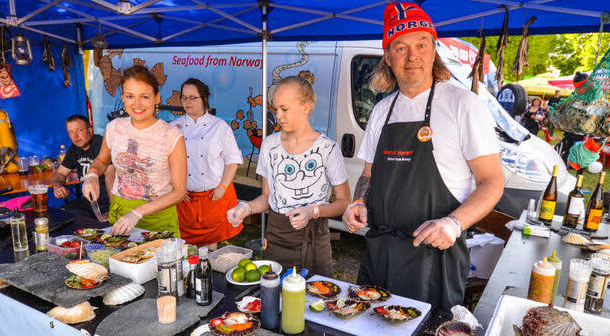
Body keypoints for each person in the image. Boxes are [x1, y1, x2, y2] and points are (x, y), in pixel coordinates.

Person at [342, 3, 504, 311]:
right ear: (388, 58)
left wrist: (454, 224)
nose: (412, 56)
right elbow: (368, 175)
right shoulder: (381, 111)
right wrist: (358, 203)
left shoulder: (463, 105)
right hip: (381, 255)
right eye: (400, 48)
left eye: (421, 44)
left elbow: (492, 181)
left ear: (434, 50)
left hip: (434, 261)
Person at [226, 76, 350, 277]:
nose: (278, 116)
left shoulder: (328, 148)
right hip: (277, 237)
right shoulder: (269, 145)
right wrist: (245, 208)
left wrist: (313, 212)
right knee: (275, 297)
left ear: (306, 107)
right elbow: (267, 197)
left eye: (284, 109)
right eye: (276, 109)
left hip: (314, 239)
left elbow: (344, 202)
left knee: (315, 298)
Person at [82, 65, 187, 236]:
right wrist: (92, 175)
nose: (136, 104)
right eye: (130, 96)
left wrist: (137, 213)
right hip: (121, 215)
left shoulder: (172, 135)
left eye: (144, 97)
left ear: (157, 98)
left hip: (158, 220)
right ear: (123, 98)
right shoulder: (114, 127)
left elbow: (179, 192)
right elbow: (102, 161)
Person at [171, 78, 243, 250]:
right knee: (185, 247)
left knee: (212, 246)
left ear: (204, 99)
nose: (187, 102)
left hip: (214, 195)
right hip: (186, 198)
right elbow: (166, 163)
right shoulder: (174, 127)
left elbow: (232, 160)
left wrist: (222, 187)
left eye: (192, 97)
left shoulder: (220, 127)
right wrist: (176, 188)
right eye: (184, 98)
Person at [52, 115, 114, 219]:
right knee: (62, 214)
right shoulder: (74, 149)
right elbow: (60, 173)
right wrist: (57, 186)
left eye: (79, 130)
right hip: (89, 202)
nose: (75, 136)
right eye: (70, 132)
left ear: (90, 130)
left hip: (107, 202)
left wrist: (113, 210)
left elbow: (111, 174)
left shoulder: (100, 144)